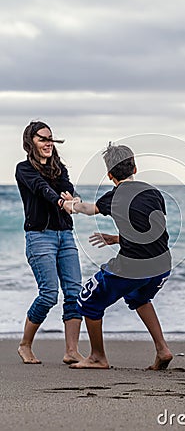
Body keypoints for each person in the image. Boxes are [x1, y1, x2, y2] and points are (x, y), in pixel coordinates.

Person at [62, 142, 173, 370]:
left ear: (110, 174)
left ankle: (97, 357)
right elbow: (152, 231)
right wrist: (118, 238)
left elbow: (86, 209)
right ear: (135, 168)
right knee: (139, 297)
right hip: (162, 264)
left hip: (134, 267)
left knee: (87, 299)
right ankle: (162, 350)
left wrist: (70, 204)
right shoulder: (154, 193)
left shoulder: (112, 198)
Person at [15, 121, 83, 364]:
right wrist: (60, 202)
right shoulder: (23, 169)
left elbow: (67, 189)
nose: (48, 143)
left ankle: (71, 351)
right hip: (39, 237)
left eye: (50, 139)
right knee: (48, 295)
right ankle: (25, 344)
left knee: (75, 293)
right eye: (42, 139)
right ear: (30, 142)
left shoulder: (59, 168)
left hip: (65, 234)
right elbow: (41, 188)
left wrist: (72, 198)